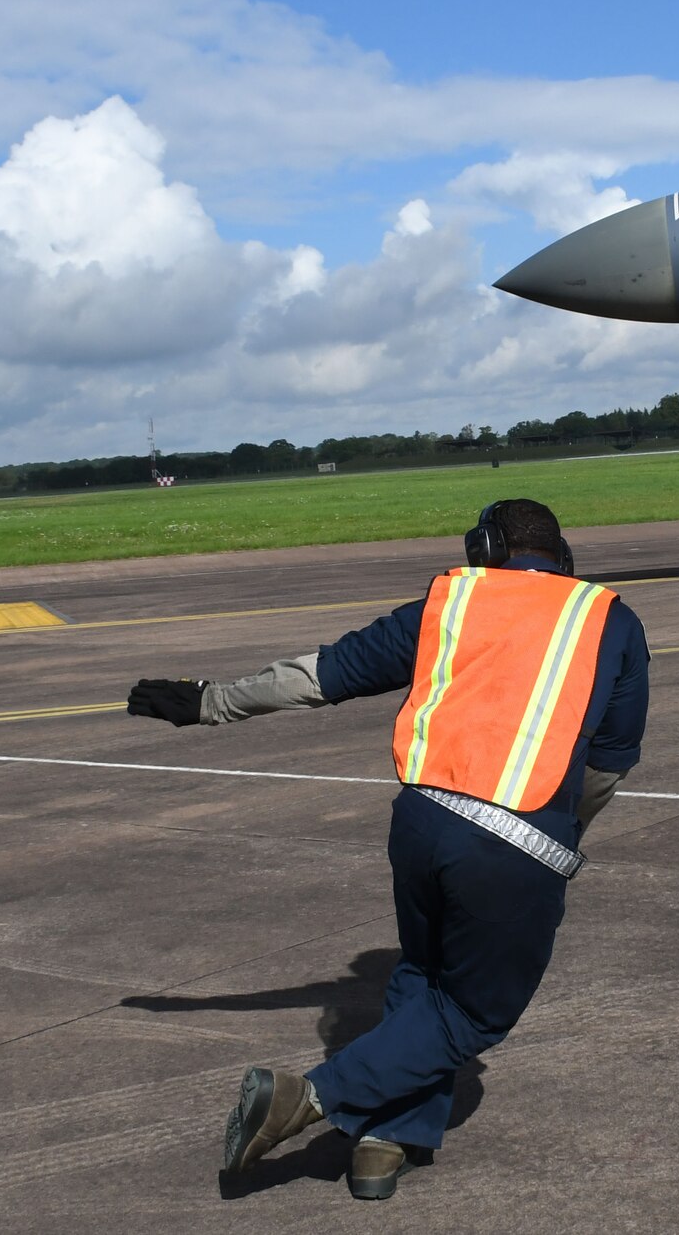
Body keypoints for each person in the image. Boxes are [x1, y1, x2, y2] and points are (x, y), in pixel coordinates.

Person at [126, 498, 649, 1200]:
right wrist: (563, 834)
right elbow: (607, 765)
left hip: (422, 820)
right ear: (563, 557)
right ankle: (304, 1099)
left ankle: (384, 1143)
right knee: (472, 1012)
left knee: (423, 976)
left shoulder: (449, 602)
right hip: (515, 835)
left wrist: (211, 700)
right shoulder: (609, 618)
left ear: (482, 550)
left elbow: (321, 675)